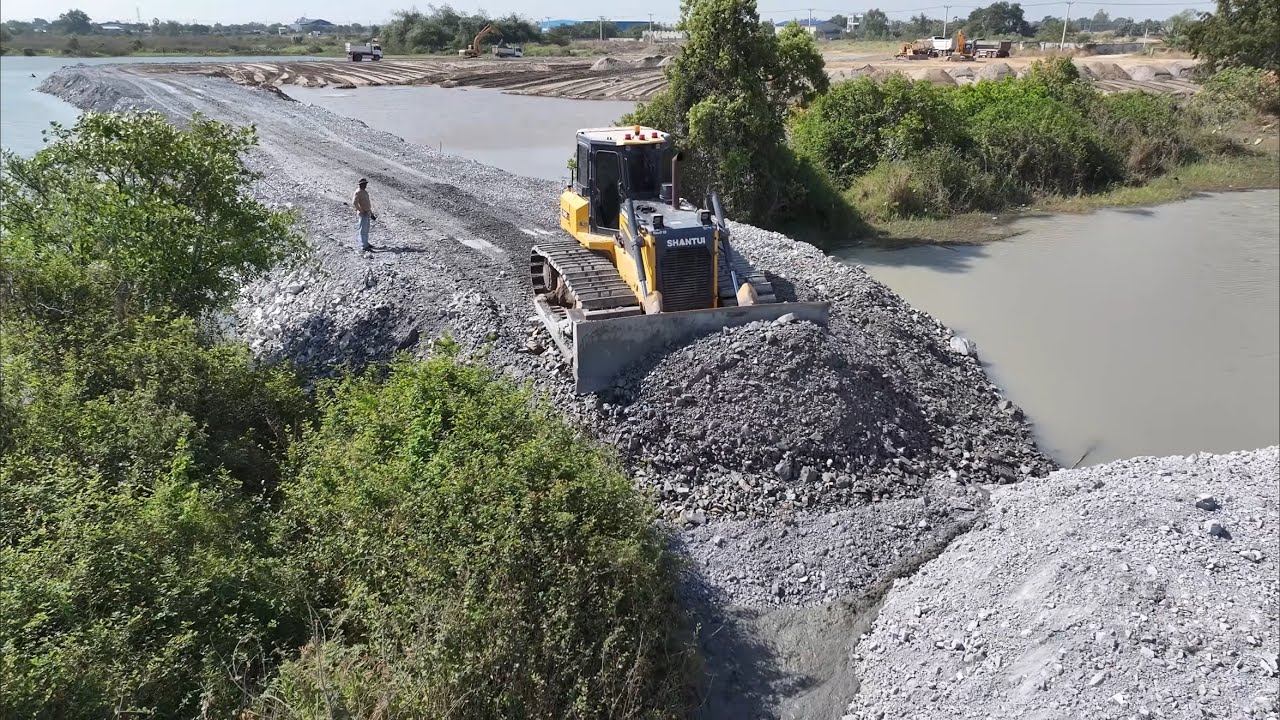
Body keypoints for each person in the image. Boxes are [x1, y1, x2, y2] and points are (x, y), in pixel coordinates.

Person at [352, 178, 376, 251]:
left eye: (366, 183)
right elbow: (354, 202)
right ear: (361, 184)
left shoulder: (364, 191)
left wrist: (371, 214)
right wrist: (361, 210)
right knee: (362, 229)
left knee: (366, 229)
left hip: (367, 212)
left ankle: (366, 243)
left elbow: (367, 204)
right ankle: (363, 245)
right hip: (363, 213)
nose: (366, 185)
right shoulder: (358, 192)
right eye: (364, 183)